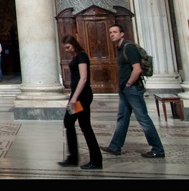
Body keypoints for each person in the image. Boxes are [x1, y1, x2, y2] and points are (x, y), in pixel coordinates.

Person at [102, 24, 165, 159]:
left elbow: (137, 69)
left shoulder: (129, 48)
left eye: (115, 32)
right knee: (122, 118)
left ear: (122, 33)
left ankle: (158, 149)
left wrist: (129, 83)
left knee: (143, 118)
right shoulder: (120, 48)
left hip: (132, 89)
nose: (112, 34)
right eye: (110, 32)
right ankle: (115, 146)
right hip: (125, 89)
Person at [59, 35, 103, 170]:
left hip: (82, 97)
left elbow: (83, 78)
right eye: (65, 48)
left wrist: (74, 98)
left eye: (68, 47)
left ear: (74, 44)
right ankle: (81, 158)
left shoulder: (81, 56)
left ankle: (89, 159)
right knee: (79, 124)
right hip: (79, 96)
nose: (67, 50)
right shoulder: (76, 56)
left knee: (72, 122)